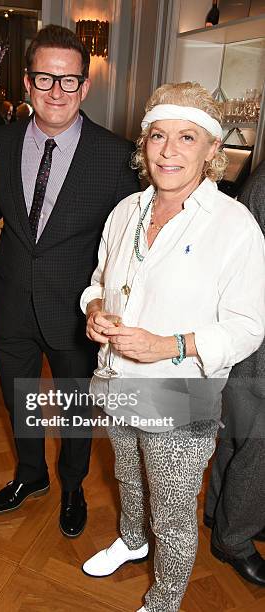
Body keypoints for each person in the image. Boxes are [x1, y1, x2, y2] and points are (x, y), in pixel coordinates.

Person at [80, 82, 265, 611]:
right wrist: (94, 311)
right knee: (126, 474)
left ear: (212, 150)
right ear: (144, 145)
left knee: (174, 507)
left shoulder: (234, 226)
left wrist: (167, 346)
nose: (169, 150)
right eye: (158, 136)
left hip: (180, 396)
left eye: (187, 137)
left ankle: (165, 599)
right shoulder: (125, 212)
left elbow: (249, 326)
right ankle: (132, 541)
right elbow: (98, 280)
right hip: (113, 379)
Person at [0, 24, 139, 537]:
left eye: (68, 81)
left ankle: (72, 485)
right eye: (45, 79)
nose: (56, 92)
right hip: (9, 302)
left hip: (77, 311)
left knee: (74, 406)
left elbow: (125, 242)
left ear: (85, 86)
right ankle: (32, 476)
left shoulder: (116, 156)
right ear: (27, 83)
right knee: (19, 398)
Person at [205, 158, 265, 587]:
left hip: (245, 337)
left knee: (242, 436)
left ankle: (220, 513)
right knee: (258, 445)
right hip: (253, 337)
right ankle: (234, 539)